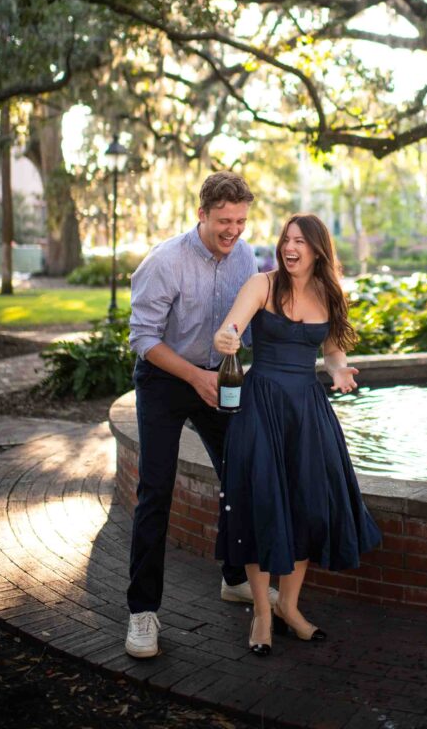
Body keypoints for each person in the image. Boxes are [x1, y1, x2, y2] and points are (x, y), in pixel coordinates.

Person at [125, 170, 277, 659]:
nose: (233, 230)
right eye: (223, 221)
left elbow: (249, 327)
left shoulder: (245, 256)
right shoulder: (164, 262)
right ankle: (142, 612)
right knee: (156, 490)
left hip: (220, 380)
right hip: (167, 381)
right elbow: (144, 339)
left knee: (241, 477)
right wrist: (194, 376)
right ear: (201, 214)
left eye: (240, 220)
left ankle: (234, 578)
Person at [213, 213, 381, 656]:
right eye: (286, 239)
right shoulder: (262, 286)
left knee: (309, 507)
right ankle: (262, 615)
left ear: (318, 250)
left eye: (301, 242)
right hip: (261, 406)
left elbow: (331, 351)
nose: (291, 248)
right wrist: (226, 339)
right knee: (260, 504)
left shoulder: (329, 293)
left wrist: (340, 371)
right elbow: (229, 329)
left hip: (307, 410)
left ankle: (288, 606)